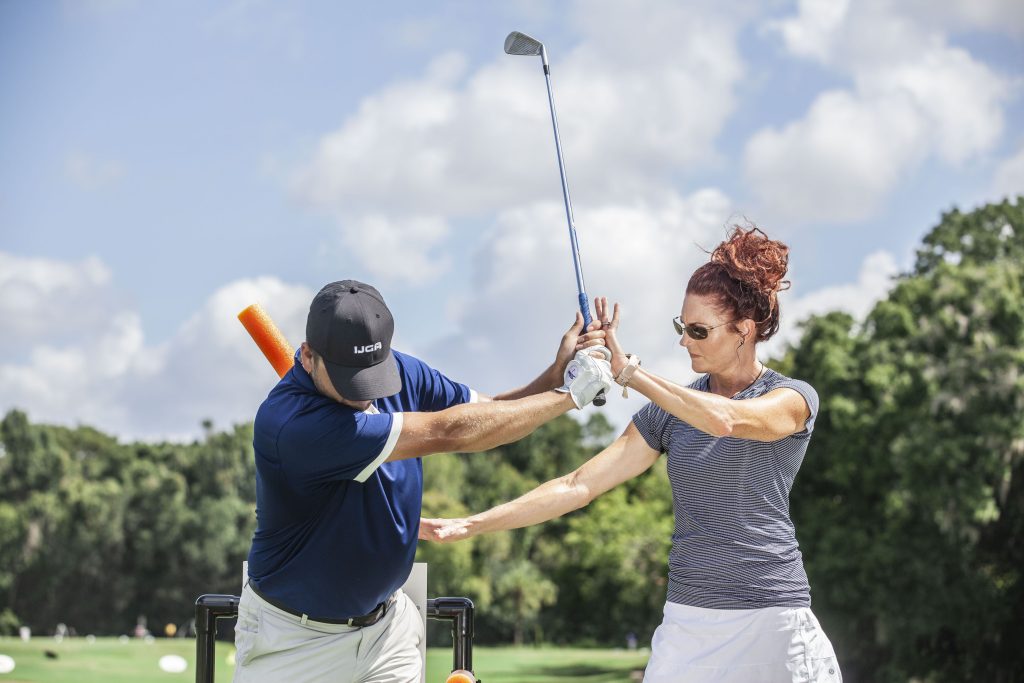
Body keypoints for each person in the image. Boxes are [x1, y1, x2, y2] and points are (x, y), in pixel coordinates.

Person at [421, 226, 844, 682]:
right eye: (682, 327)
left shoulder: (793, 398)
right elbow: (578, 485)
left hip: (773, 620)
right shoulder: (668, 414)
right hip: (689, 622)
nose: (685, 341)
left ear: (744, 330)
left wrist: (631, 374)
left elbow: (727, 420)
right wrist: (471, 523)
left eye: (699, 330)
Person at [233, 279, 614, 683]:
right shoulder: (292, 425)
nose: (364, 395)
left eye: (372, 376)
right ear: (307, 355)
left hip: (386, 633)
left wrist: (559, 374)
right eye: (350, 380)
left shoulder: (399, 370)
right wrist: (570, 395)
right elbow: (449, 432)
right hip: (294, 643)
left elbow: (492, 415)